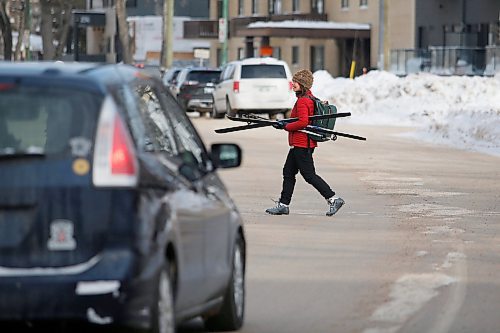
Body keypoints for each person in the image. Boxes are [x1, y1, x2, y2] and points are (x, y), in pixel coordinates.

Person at [265, 69, 345, 216]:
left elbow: (302, 122)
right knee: (288, 172)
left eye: (296, 82)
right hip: (301, 144)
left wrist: (286, 127)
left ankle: (334, 199)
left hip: (302, 145)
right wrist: (284, 123)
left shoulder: (303, 101)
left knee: (309, 175)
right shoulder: (310, 98)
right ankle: (283, 204)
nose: (293, 84)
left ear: (303, 85)